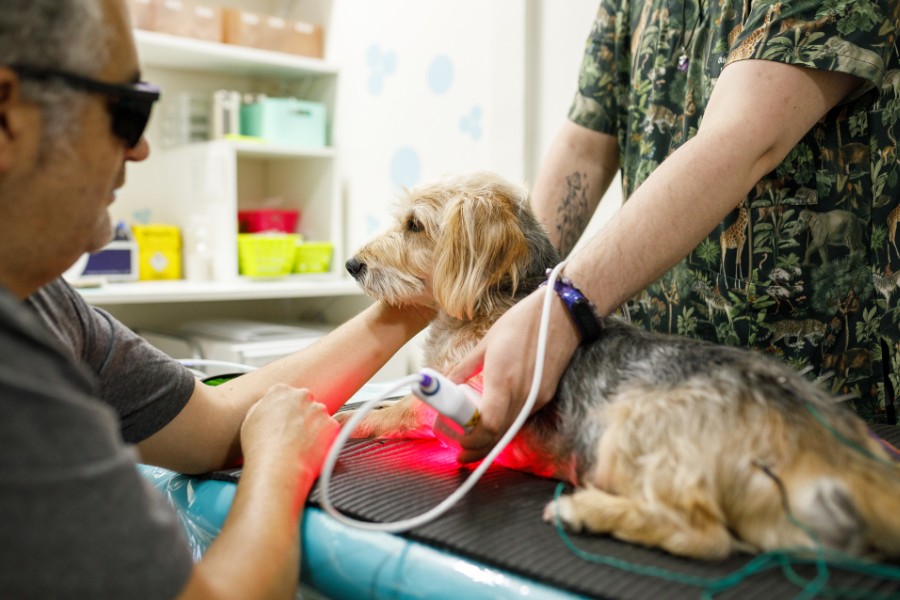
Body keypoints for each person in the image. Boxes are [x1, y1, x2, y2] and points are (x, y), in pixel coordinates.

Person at [0, 1, 430, 598]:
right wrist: (280, 464)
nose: (142, 149)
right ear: (6, 115)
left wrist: (409, 303)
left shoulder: (44, 301)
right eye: (129, 110)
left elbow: (210, 426)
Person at [449, 0, 899, 463]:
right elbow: (584, 146)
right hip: (653, 394)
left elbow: (743, 140)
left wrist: (564, 306)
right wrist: (519, 290)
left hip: (814, 390)